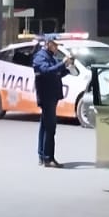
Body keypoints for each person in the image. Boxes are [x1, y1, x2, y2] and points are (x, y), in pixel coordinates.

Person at [31, 37, 70, 168]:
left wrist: (67, 68)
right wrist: (62, 64)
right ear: (48, 44)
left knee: (45, 126)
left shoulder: (51, 56)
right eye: (55, 45)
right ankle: (48, 158)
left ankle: (42, 156)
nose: (57, 48)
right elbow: (46, 71)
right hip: (46, 96)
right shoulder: (40, 57)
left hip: (52, 95)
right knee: (50, 128)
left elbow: (56, 73)